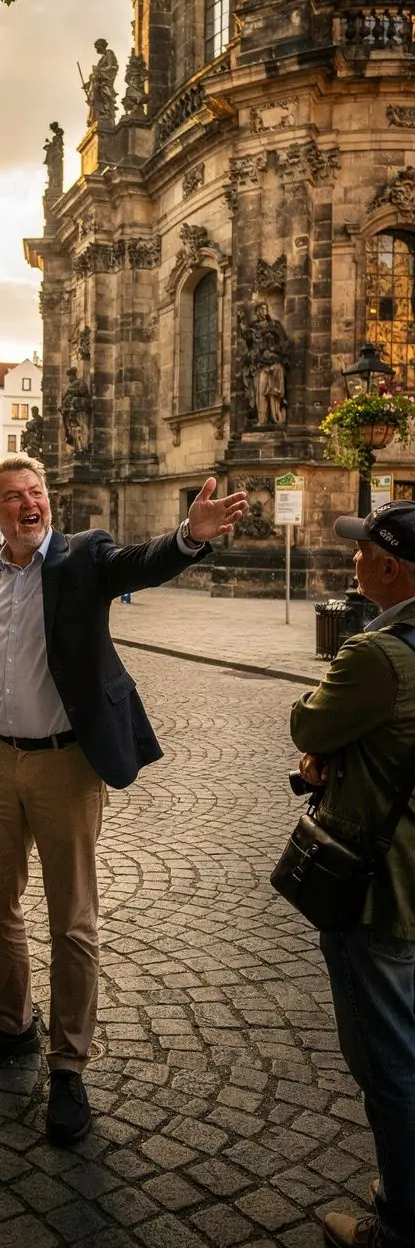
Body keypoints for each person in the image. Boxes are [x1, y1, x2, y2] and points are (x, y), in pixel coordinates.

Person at [0, 453, 247, 1144]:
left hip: (66, 763)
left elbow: (141, 562)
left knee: (72, 920)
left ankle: (68, 1064)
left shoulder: (82, 556)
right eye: (13, 496)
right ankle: (13, 1024)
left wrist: (191, 537)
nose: (30, 503)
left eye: (36, 492)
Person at [290, 501, 415, 1248]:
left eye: (364, 549)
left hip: (378, 884)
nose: (353, 559)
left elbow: (310, 724)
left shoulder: (376, 654)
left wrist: (322, 743)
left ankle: (399, 1221)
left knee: (388, 1061)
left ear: (394, 566)